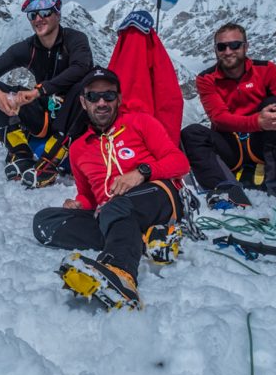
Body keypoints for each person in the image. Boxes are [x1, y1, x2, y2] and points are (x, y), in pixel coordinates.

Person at [32, 67, 190, 308]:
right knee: (45, 222)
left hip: (159, 194)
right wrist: (79, 204)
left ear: (119, 99)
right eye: (94, 97)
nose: (102, 102)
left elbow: (180, 162)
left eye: (109, 95)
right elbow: (88, 196)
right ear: (84, 103)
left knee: (115, 208)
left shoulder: (141, 122)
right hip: (112, 211)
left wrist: (141, 173)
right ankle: (144, 238)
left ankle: (120, 274)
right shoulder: (78, 149)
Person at [0, 0, 93, 188]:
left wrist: (39, 90)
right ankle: (21, 153)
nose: (38, 18)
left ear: (57, 13)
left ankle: (51, 161)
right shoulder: (28, 48)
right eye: (32, 15)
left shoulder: (75, 39)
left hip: (74, 117)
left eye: (45, 12)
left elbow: (82, 68)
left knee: (85, 88)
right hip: (45, 115)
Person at [181, 22, 276, 208]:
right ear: (215, 50)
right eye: (222, 47)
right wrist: (258, 121)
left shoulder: (267, 69)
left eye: (234, 45)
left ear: (246, 46)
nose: (228, 51)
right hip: (229, 145)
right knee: (192, 133)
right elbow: (219, 118)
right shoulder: (206, 79)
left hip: (262, 142)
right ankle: (224, 189)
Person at [105, 10, 183, 145]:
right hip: (150, 135)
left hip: (120, 135)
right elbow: (169, 99)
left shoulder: (120, 54)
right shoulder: (156, 52)